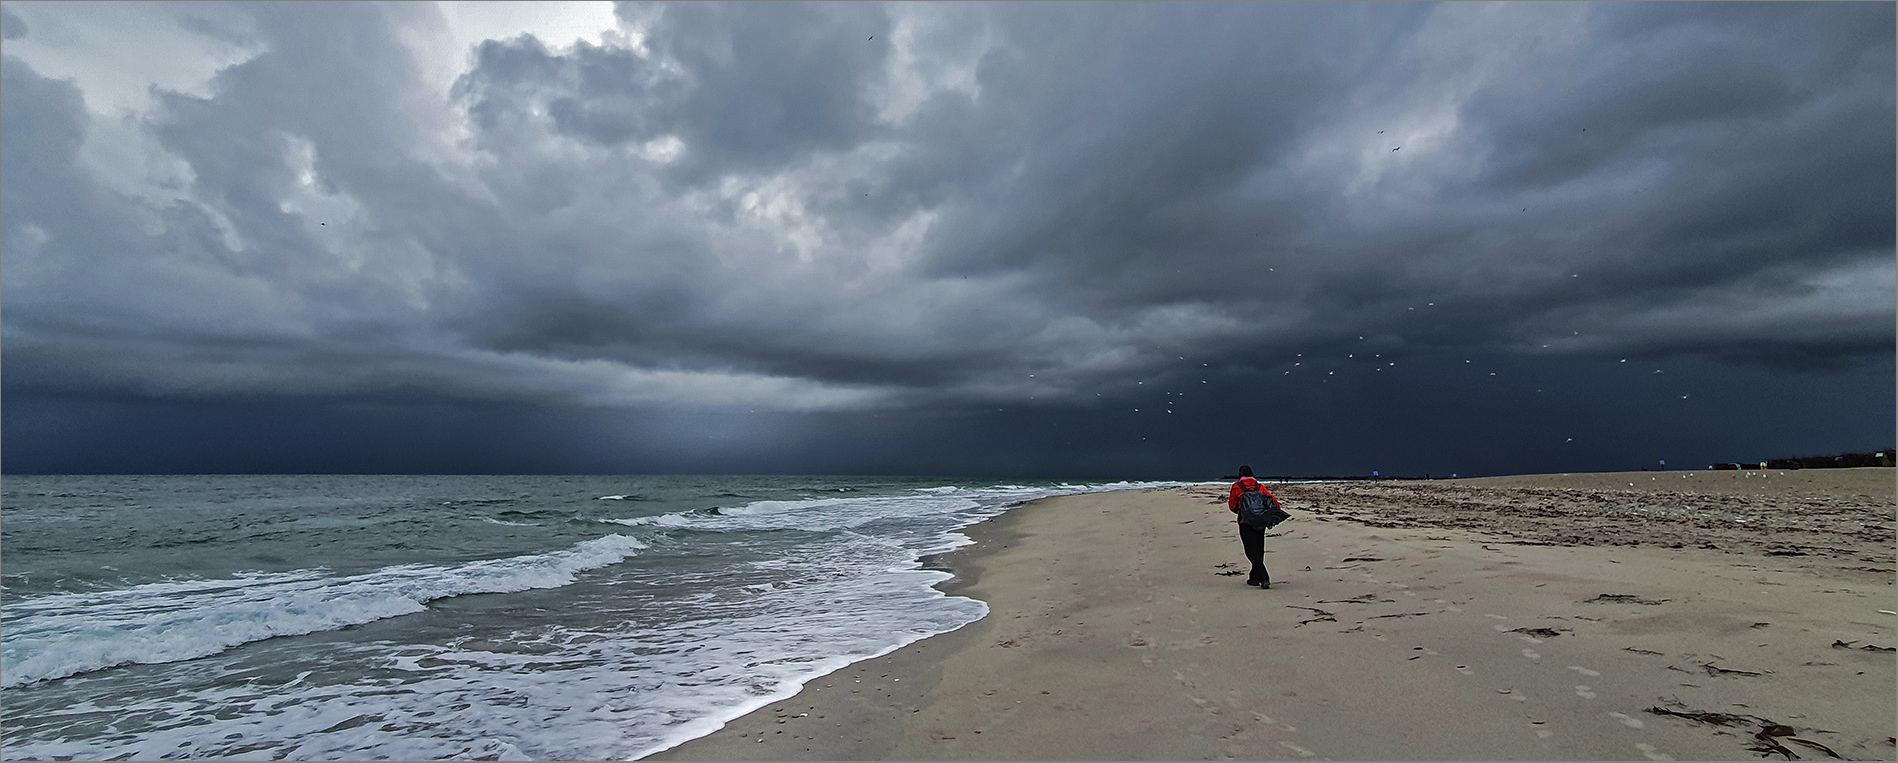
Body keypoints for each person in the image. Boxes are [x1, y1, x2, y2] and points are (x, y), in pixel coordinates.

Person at [1228, 465, 1279, 588]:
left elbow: (1232, 505)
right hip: (1260, 520)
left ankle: (1264, 577)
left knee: (1250, 549)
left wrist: (1242, 512)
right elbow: (1273, 502)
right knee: (1259, 548)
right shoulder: (1259, 486)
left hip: (1245, 520)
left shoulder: (1237, 486)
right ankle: (1254, 577)